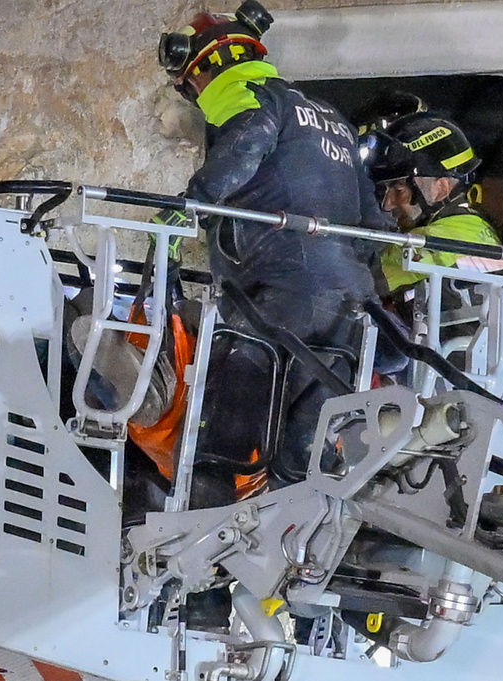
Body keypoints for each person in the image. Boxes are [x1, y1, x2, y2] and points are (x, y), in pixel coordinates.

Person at [158, 3, 385, 497]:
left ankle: (200, 531)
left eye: (192, 89)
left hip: (278, 292)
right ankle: (291, 546)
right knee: (306, 449)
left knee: (223, 435)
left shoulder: (252, 96)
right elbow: (374, 221)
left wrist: (185, 210)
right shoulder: (335, 122)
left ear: (204, 71)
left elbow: (245, 145)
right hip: (347, 303)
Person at [367, 114, 503, 314]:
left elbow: (354, 283)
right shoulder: (477, 229)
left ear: (441, 188)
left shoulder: (427, 240)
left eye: (399, 191)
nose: (387, 205)